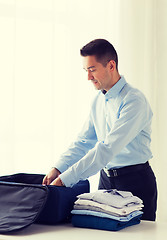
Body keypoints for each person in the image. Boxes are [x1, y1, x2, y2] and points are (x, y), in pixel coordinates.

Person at [43, 39, 157, 221]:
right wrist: (58, 167)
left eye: (92, 69)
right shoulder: (98, 100)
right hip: (106, 180)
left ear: (111, 65)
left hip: (135, 182)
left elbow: (107, 148)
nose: (88, 77)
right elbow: (84, 141)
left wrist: (66, 179)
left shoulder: (134, 101)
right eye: (86, 70)